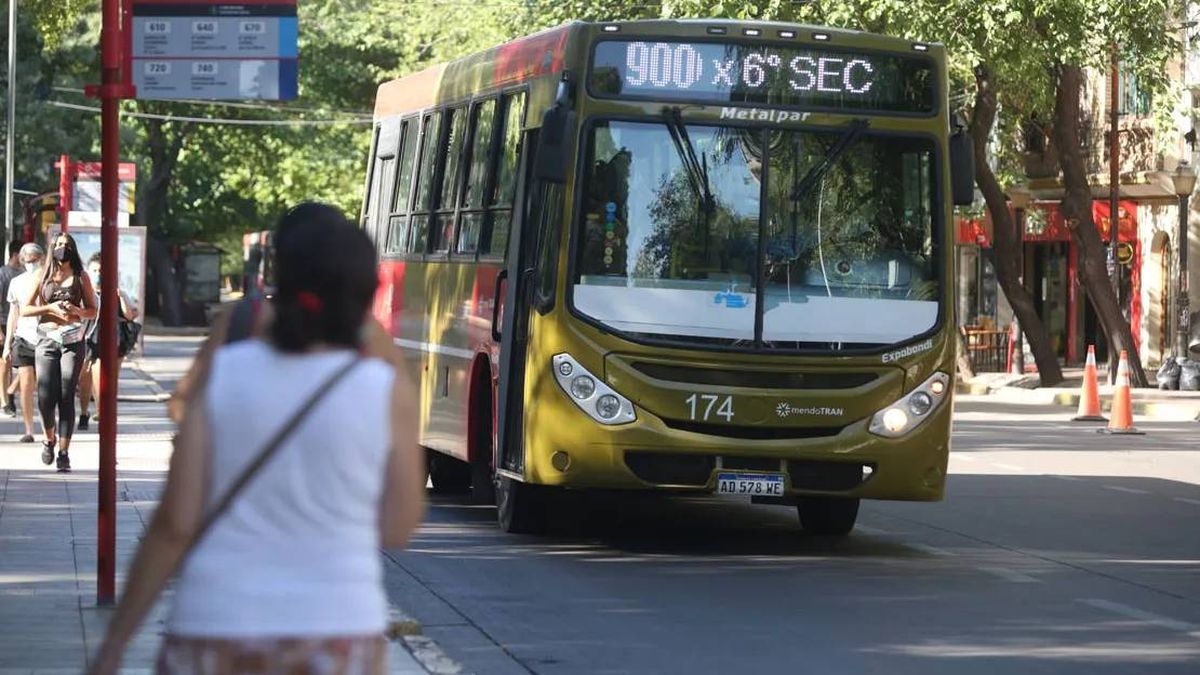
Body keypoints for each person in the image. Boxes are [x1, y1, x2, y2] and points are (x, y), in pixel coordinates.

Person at [90, 204, 425, 674]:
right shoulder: (386, 389)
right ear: (367, 289)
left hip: (216, 625)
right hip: (338, 632)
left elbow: (175, 524)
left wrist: (114, 645)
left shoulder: (224, 376)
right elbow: (397, 526)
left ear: (279, 276)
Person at [21, 233, 97, 471]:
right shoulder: (41, 275)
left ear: (73, 250)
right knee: (45, 395)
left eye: (67, 245)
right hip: (46, 339)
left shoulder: (81, 276)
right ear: (52, 248)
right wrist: (50, 308)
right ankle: (48, 438)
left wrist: (76, 309)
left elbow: (93, 310)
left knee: (66, 394)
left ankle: (64, 451)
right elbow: (25, 308)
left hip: (73, 340)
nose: (63, 249)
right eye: (59, 245)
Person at [77, 252, 141, 431]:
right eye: (95, 270)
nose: (98, 274)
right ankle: (83, 412)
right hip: (86, 339)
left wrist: (121, 295)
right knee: (84, 380)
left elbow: (129, 314)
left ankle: (101, 411)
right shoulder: (83, 291)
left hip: (106, 340)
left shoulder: (114, 292)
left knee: (100, 376)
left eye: (101, 271)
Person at [2, 243, 44, 442]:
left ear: (41, 259)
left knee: (45, 386)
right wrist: (8, 344)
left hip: (46, 338)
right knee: (26, 383)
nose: (31, 264)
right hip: (24, 337)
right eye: (27, 261)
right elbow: (13, 313)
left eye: (34, 260)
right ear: (21, 261)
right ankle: (29, 429)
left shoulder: (48, 279)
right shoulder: (16, 282)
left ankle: (47, 427)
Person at [0, 240, 24, 416]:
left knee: (22, 366)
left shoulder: (24, 273)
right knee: (4, 364)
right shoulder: (3, 274)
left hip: (21, 325)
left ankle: (10, 393)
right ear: (16, 254)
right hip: (3, 322)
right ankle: (4, 401)